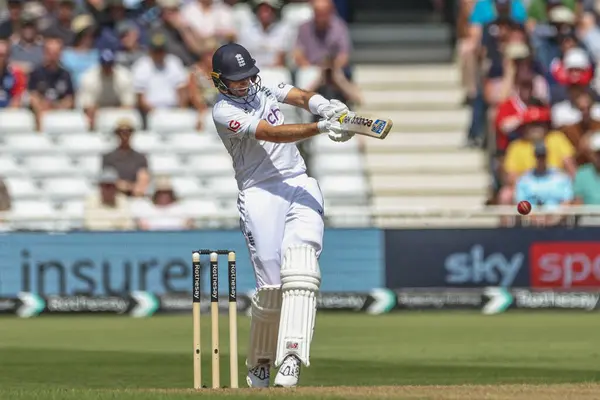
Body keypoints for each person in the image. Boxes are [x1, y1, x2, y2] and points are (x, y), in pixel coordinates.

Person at [209, 43, 351, 388]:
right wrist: (320, 128)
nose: (244, 84)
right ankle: (261, 361)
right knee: (271, 287)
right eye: (236, 80)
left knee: (301, 267)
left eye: (247, 77)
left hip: (297, 182)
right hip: (259, 194)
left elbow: (299, 96)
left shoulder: (264, 84)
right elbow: (269, 133)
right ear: (220, 81)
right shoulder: (223, 111)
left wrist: (325, 106)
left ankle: (291, 357)